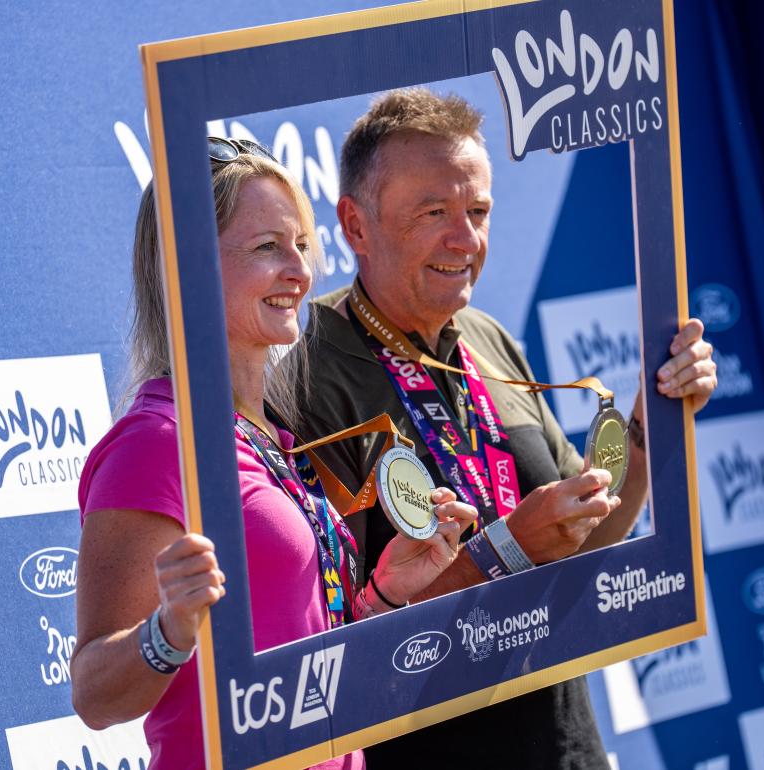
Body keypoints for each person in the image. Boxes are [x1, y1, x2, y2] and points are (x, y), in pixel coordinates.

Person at [294, 89, 718, 769]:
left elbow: (587, 544)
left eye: (479, 211)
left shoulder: (486, 338)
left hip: (564, 744)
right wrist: (506, 550)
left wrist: (654, 420)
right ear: (356, 224)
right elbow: (335, 641)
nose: (467, 239)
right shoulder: (306, 368)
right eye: (434, 213)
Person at [70, 138, 476, 770]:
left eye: (301, 246)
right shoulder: (156, 443)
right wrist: (169, 631)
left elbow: (306, 656)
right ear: (187, 268)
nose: (301, 272)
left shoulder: (274, 438)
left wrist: (386, 596)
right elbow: (94, 694)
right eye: (267, 248)